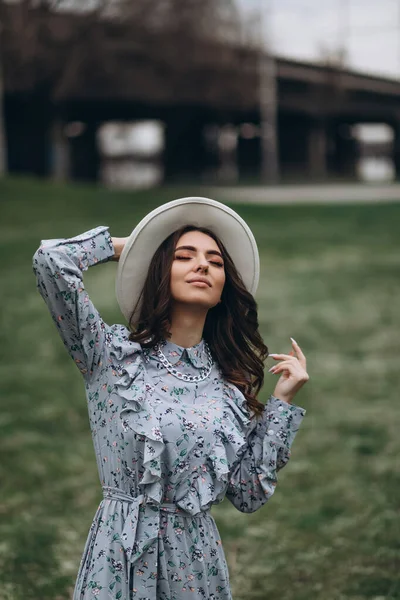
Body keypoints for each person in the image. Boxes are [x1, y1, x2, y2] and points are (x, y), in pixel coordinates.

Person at [32, 197, 309, 600]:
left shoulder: (227, 385)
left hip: (195, 568)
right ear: (161, 271)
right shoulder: (110, 354)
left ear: (222, 288)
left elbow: (247, 494)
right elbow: (50, 262)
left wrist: (282, 403)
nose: (203, 266)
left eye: (216, 262)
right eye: (184, 256)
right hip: (118, 556)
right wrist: (133, 247)